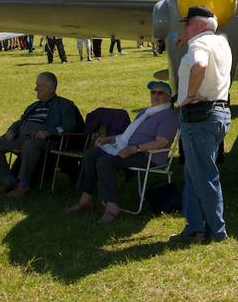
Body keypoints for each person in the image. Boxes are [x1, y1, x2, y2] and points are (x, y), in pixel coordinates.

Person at [65, 80, 178, 223]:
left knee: (105, 161)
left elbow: (161, 142)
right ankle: (85, 200)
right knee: (91, 154)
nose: (155, 95)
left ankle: (111, 207)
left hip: (148, 155)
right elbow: (127, 135)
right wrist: (108, 139)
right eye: (153, 92)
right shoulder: (146, 112)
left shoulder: (168, 115)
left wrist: (134, 149)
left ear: (168, 96)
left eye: (160, 93)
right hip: (128, 148)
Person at [169, 6, 232, 245]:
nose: (183, 28)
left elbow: (200, 65)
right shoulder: (220, 42)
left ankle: (217, 231)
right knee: (194, 173)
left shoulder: (199, 46)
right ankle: (195, 228)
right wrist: (187, 38)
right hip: (218, 113)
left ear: (200, 25)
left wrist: (191, 94)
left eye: (187, 24)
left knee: (203, 175)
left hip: (198, 115)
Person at [0, 72, 78, 197]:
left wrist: (49, 132)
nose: (35, 89)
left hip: (45, 141)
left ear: (51, 88)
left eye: (39, 86)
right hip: (22, 137)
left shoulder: (65, 105)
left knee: (30, 145)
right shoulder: (34, 106)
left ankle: (23, 185)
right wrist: (13, 129)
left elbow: (68, 127)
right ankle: (9, 181)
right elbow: (20, 121)